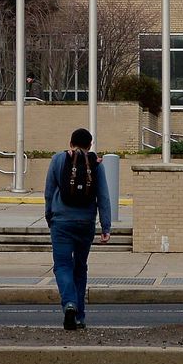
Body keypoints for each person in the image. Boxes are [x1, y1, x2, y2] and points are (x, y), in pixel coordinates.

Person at [43, 127, 110, 330]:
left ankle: (69, 304)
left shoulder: (57, 160)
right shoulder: (95, 163)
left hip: (61, 222)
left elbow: (48, 192)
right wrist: (105, 225)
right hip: (85, 223)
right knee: (80, 268)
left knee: (63, 266)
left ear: (70, 143)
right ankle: (79, 316)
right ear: (90, 145)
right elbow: (103, 196)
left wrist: (50, 216)